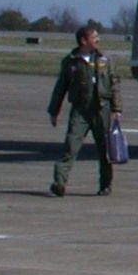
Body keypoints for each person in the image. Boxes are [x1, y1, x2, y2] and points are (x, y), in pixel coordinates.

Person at [47, 22, 122, 196]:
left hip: (101, 109)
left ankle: (105, 184)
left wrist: (117, 109)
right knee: (70, 147)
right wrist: (54, 110)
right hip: (80, 111)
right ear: (83, 41)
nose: (98, 40)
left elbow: (114, 84)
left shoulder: (105, 60)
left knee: (105, 151)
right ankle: (59, 183)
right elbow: (61, 88)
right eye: (94, 37)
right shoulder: (71, 62)